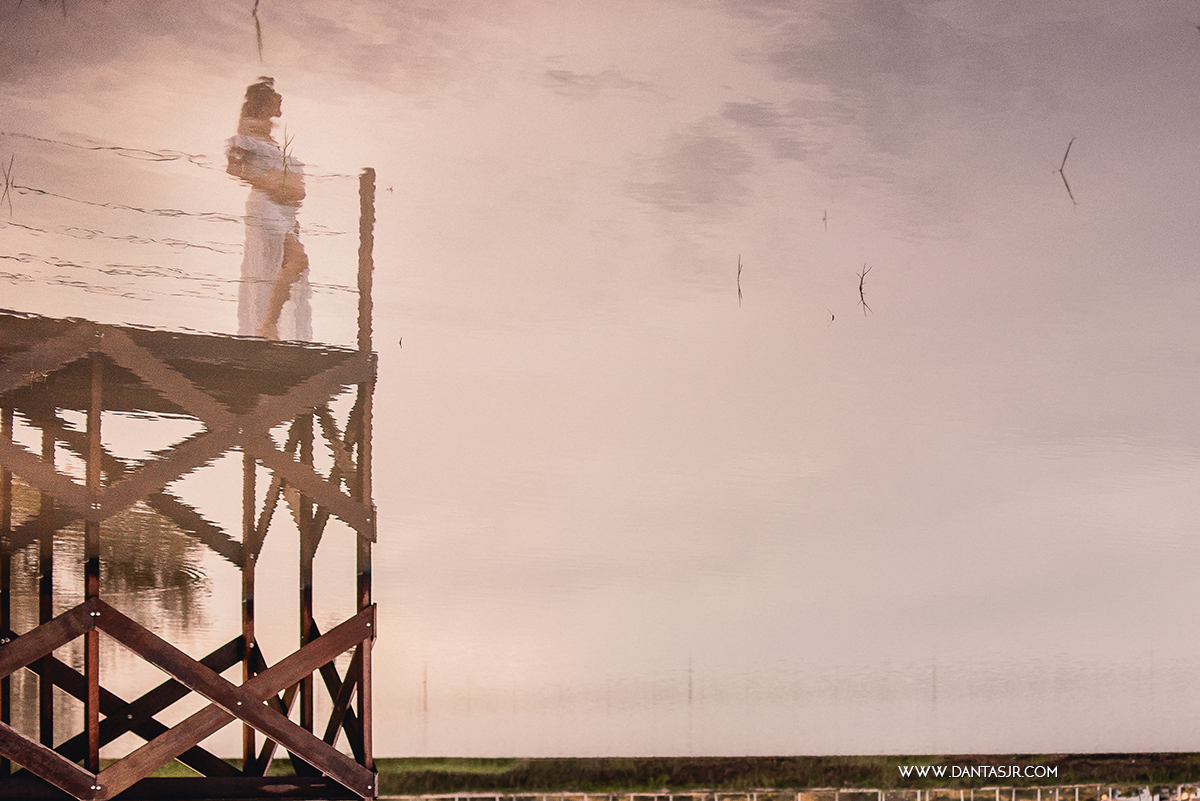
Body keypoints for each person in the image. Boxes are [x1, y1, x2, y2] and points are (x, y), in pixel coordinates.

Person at [225, 77, 312, 340]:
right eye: (275, 95)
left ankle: (268, 324)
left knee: (290, 263)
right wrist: (272, 184)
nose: (280, 98)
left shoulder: (267, 134)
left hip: (283, 212)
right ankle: (268, 325)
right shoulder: (249, 129)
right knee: (296, 259)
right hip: (266, 205)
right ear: (263, 102)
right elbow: (234, 167)